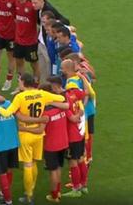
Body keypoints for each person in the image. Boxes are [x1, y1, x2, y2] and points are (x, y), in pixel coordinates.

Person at [0, 73, 68, 204]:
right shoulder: (42, 94)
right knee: (34, 163)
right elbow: (61, 98)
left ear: (24, 82)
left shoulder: (20, 97)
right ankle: (31, 189)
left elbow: (7, 112)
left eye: (19, 80)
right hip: (39, 134)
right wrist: (47, 101)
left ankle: (29, 195)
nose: (18, 83)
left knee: (27, 165)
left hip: (25, 134)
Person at [20, 82, 70, 203]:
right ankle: (57, 192)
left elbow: (40, 130)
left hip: (51, 145)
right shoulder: (60, 107)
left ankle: (54, 196)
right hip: (63, 142)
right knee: (58, 168)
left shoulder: (46, 113)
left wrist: (24, 128)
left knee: (53, 170)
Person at [60, 60, 89, 198]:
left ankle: (76, 189)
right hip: (80, 132)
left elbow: (71, 118)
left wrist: (76, 115)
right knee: (81, 159)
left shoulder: (65, 99)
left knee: (73, 161)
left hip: (71, 135)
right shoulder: (76, 93)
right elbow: (87, 92)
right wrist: (81, 112)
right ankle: (84, 185)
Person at [31, 0, 70, 83]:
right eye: (32, 3)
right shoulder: (38, 9)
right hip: (41, 42)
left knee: (49, 70)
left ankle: (49, 88)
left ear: (42, 1)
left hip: (47, 45)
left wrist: (55, 24)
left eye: (35, 3)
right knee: (42, 69)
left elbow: (65, 21)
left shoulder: (49, 9)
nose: (33, 5)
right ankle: (44, 87)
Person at [13, 0, 40, 87]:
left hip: (31, 42)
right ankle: (22, 86)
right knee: (19, 63)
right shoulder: (16, 2)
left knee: (34, 65)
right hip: (18, 40)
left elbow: (39, 22)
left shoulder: (32, 5)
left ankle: (36, 86)